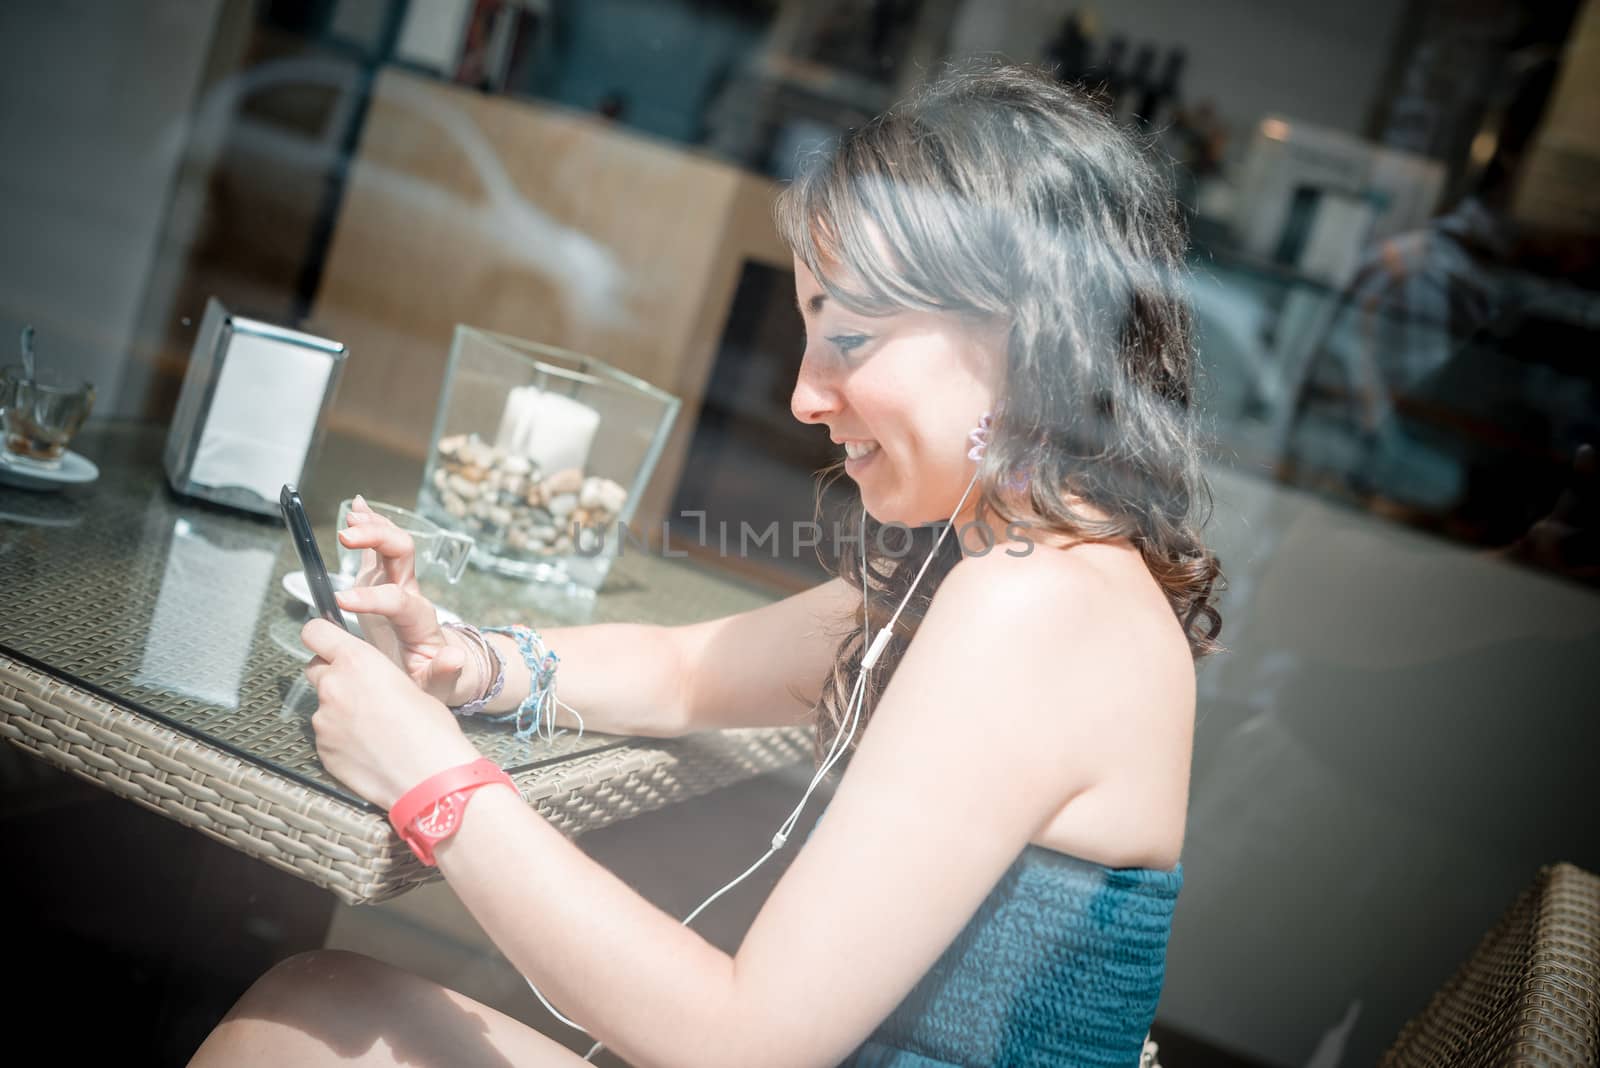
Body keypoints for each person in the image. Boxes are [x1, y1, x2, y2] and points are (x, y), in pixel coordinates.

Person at [190, 61, 1223, 1068]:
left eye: (853, 337)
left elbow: (743, 1042)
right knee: (308, 1006)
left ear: (1021, 336)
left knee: (296, 1024)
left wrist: (427, 775)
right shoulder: (1009, 569)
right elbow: (691, 671)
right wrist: (468, 663)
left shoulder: (1033, 608)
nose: (805, 398)